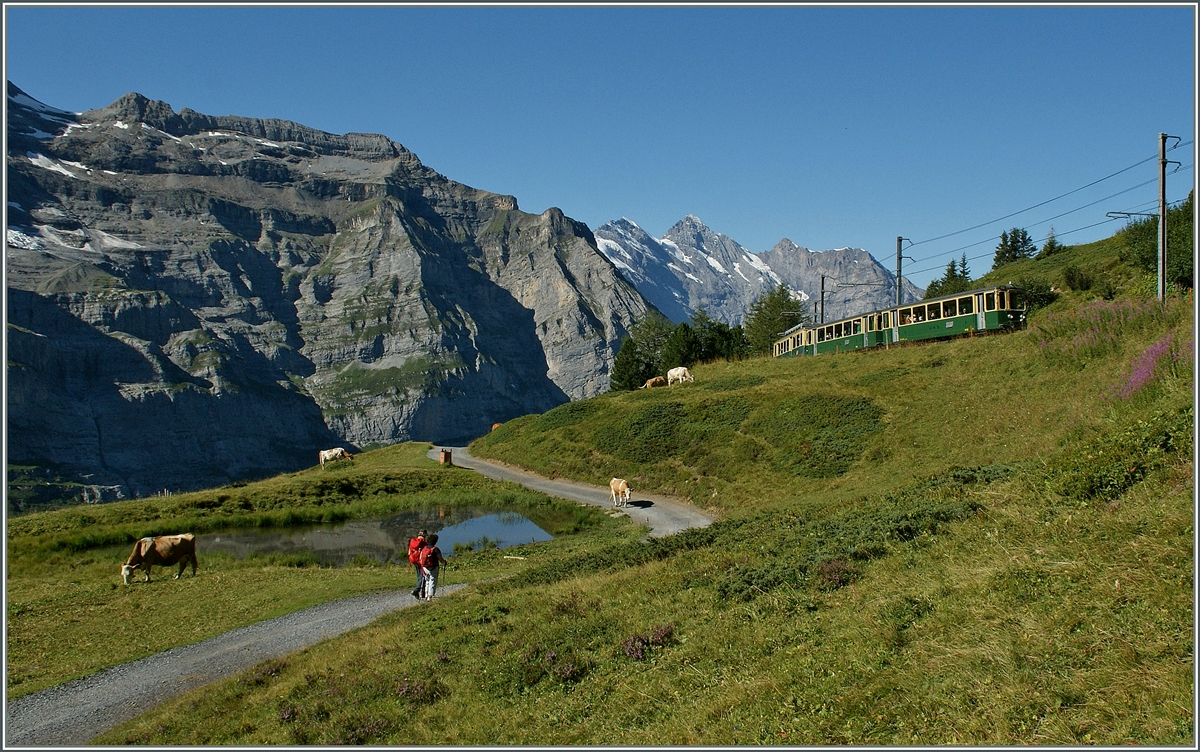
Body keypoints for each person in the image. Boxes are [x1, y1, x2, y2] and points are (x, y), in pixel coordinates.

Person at [418, 533, 447, 601]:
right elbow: (440, 559)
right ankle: (430, 596)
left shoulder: (424, 548)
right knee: (432, 581)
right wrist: (444, 562)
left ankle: (426, 595)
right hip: (433, 567)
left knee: (427, 581)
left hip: (424, 567)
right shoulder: (435, 549)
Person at [407, 529, 427, 598]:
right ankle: (416, 590)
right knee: (423, 576)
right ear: (424, 536)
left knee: (419, 576)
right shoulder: (423, 543)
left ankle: (421, 593)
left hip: (413, 561)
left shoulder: (412, 541)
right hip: (420, 561)